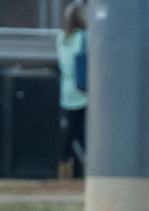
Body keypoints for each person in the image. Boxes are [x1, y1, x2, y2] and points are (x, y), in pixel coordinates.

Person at [54, 1, 87, 179]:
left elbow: (62, 63)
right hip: (84, 91)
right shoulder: (85, 37)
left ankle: (63, 172)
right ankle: (84, 172)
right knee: (85, 136)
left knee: (67, 135)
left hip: (66, 90)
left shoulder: (61, 38)